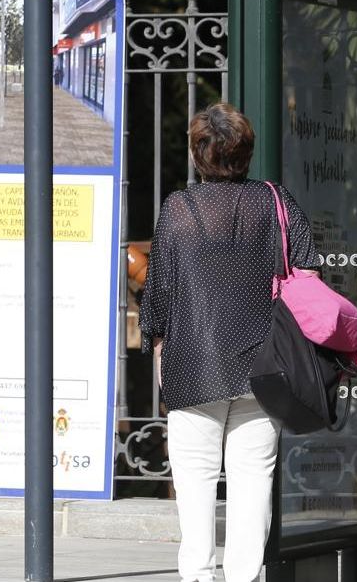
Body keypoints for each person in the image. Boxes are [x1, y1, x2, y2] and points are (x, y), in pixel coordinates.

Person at [138, 102, 319, 582]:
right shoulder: (276, 201)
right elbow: (308, 271)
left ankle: (198, 574)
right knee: (252, 480)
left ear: (198, 153)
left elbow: (158, 288)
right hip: (264, 363)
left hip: (193, 361)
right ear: (246, 152)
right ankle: (244, 576)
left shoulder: (179, 208)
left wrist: (157, 346)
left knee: (194, 480)